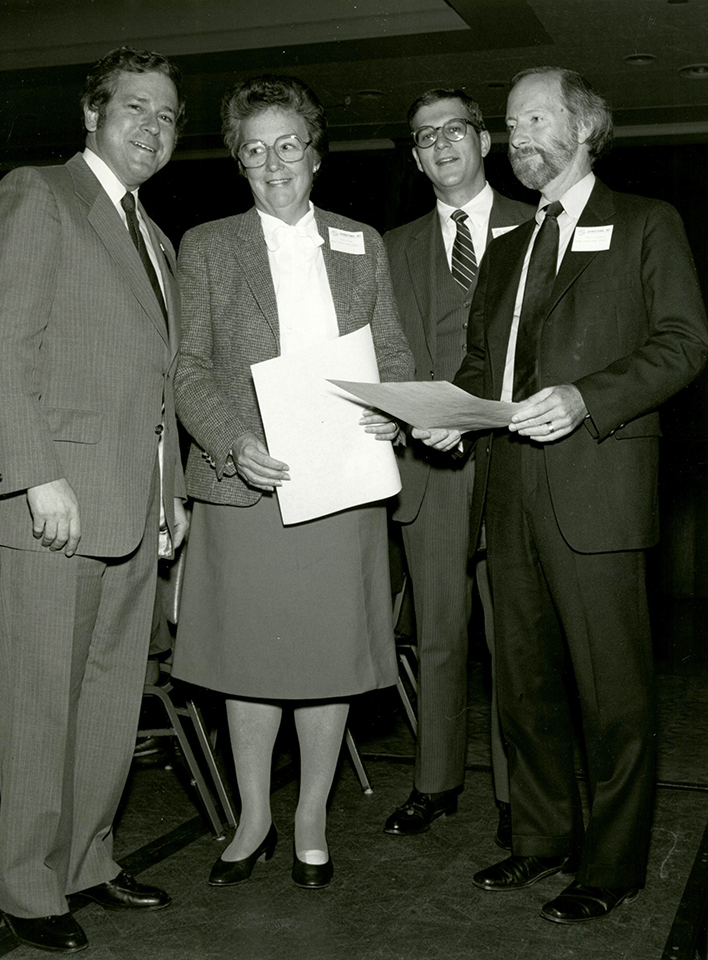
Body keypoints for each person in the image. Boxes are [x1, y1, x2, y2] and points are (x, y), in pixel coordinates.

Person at [416, 66, 708, 924]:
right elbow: (484, 367)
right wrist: (451, 416)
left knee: (613, 692)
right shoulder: (507, 249)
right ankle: (539, 842)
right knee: (525, 683)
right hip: (510, 489)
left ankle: (613, 865)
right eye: (509, 126)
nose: (517, 140)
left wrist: (589, 398)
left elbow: (686, 342)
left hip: (600, 487)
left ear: (585, 126)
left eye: (533, 120)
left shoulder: (648, 223)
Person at [0, 47, 189, 953]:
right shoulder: (36, 195)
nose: (153, 127)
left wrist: (171, 493)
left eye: (169, 117)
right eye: (136, 107)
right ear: (91, 114)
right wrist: (35, 473)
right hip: (51, 503)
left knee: (107, 700)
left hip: (133, 508)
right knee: (38, 699)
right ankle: (23, 886)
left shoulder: (156, 237)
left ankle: (87, 859)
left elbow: (156, 386)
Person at [171, 74, 413, 891]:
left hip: (340, 485)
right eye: (254, 150)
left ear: (315, 153)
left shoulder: (362, 241)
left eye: (288, 145)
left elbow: (395, 356)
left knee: (324, 662)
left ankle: (310, 816)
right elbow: (188, 370)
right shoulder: (206, 245)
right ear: (238, 164)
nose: (274, 163)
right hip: (249, 485)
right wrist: (233, 442)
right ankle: (253, 818)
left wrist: (393, 412)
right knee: (248, 662)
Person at [382, 89, 533, 845]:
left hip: (520, 462)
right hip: (429, 467)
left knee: (516, 635)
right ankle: (435, 782)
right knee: (438, 632)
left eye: (454, 130)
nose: (440, 143)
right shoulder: (394, 246)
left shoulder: (540, 226)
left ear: (484, 141)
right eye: (424, 136)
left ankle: (518, 794)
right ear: (415, 157)